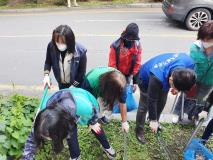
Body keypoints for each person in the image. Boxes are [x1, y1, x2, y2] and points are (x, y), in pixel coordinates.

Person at [22, 88, 116, 160]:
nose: (48, 139)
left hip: (84, 101)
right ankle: (75, 157)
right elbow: (31, 141)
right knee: (71, 137)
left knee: (96, 128)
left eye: (50, 137)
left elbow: (93, 110)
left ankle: (108, 148)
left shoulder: (84, 107)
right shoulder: (42, 118)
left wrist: (93, 122)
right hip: (65, 114)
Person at [135, 53, 196, 144]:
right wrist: (153, 120)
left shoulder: (189, 62)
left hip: (163, 78)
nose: (173, 90)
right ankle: (139, 130)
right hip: (145, 79)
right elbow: (152, 100)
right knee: (144, 106)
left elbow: (187, 81)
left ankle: (156, 121)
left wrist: (177, 88)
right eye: (173, 87)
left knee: (162, 100)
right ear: (171, 79)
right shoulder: (157, 77)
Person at [173, 21, 213, 122]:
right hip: (193, 79)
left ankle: (195, 116)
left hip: (209, 81)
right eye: (202, 38)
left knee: (200, 99)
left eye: (208, 39)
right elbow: (188, 64)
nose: (205, 41)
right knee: (185, 95)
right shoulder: (195, 48)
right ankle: (177, 113)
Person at [81, 66, 129, 133]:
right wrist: (92, 121)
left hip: (107, 85)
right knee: (93, 107)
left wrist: (124, 121)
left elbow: (122, 103)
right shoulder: (90, 82)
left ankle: (102, 117)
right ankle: (94, 121)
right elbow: (87, 103)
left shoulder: (121, 85)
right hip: (92, 85)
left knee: (105, 106)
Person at [43, 25, 87, 90]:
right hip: (61, 83)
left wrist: (74, 86)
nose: (59, 44)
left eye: (63, 42)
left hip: (76, 84)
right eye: (57, 41)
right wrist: (46, 75)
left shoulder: (80, 51)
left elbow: (81, 72)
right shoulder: (51, 46)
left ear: (70, 41)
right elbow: (48, 62)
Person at [108, 23, 142, 90]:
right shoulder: (115, 46)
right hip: (116, 73)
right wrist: (118, 79)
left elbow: (137, 64)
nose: (131, 41)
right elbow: (112, 65)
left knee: (125, 93)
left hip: (128, 75)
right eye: (129, 39)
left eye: (133, 40)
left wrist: (135, 82)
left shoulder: (137, 46)